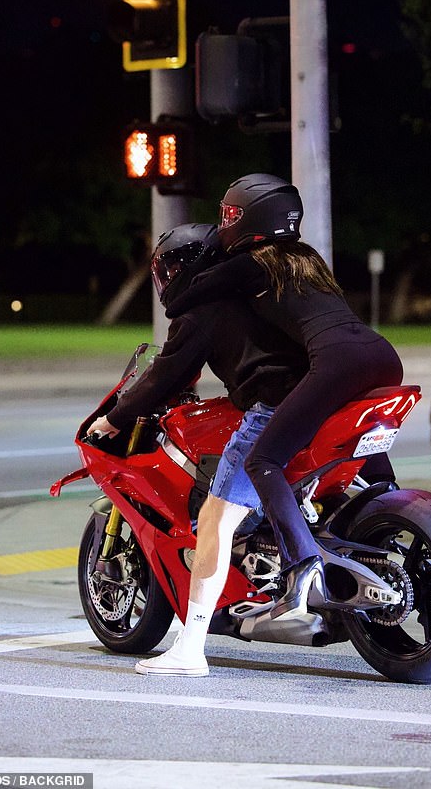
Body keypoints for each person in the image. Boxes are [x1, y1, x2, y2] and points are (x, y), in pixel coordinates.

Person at [164, 174, 404, 620]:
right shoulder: (306, 258)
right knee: (363, 440)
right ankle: (387, 518)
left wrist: (210, 251)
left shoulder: (251, 264)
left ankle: (301, 566)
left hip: (336, 361)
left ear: (249, 220)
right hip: (382, 354)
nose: (224, 224)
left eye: (229, 217)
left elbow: (179, 303)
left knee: (262, 460)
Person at [87, 222, 308, 676]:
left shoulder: (203, 308)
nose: (166, 280)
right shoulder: (260, 293)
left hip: (274, 407)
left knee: (214, 517)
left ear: (188, 269)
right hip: (319, 395)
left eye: (169, 269)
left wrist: (112, 419)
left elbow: (165, 374)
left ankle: (190, 650)